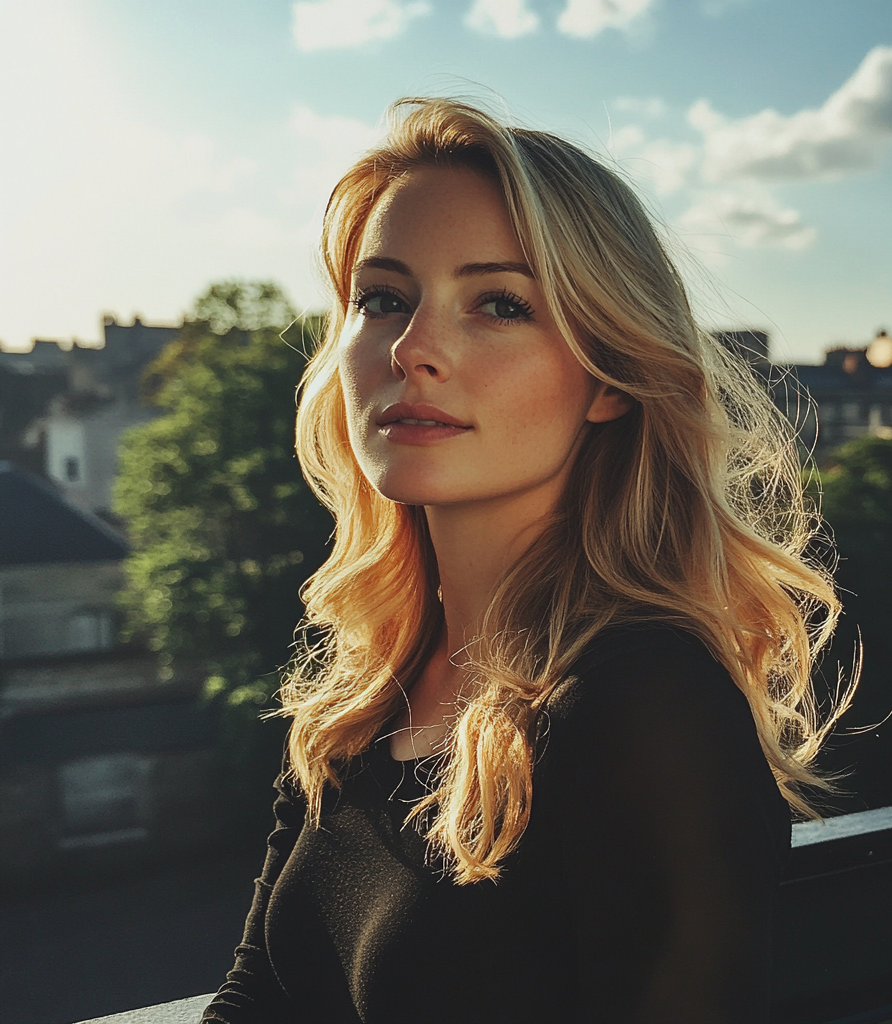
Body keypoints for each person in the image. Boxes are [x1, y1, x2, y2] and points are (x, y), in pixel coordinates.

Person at [202, 97, 847, 1024]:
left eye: (499, 305)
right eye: (382, 298)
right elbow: (256, 997)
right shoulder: (362, 694)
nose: (413, 348)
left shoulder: (647, 708)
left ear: (612, 380)